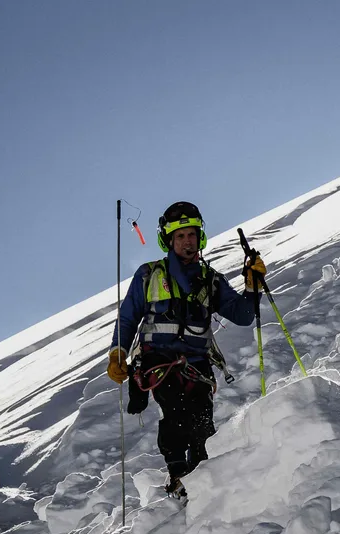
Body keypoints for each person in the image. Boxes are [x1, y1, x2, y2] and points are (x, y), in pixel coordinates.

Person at [106, 201, 267, 497]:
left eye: (191, 235)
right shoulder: (149, 275)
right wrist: (118, 352)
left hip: (197, 364)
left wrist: (252, 285)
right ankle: (179, 474)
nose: (187, 241)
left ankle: (202, 474)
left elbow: (243, 316)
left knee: (202, 420)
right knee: (177, 412)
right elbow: (128, 317)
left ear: (200, 237)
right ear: (168, 240)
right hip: (156, 362)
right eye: (180, 236)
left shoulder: (210, 280)